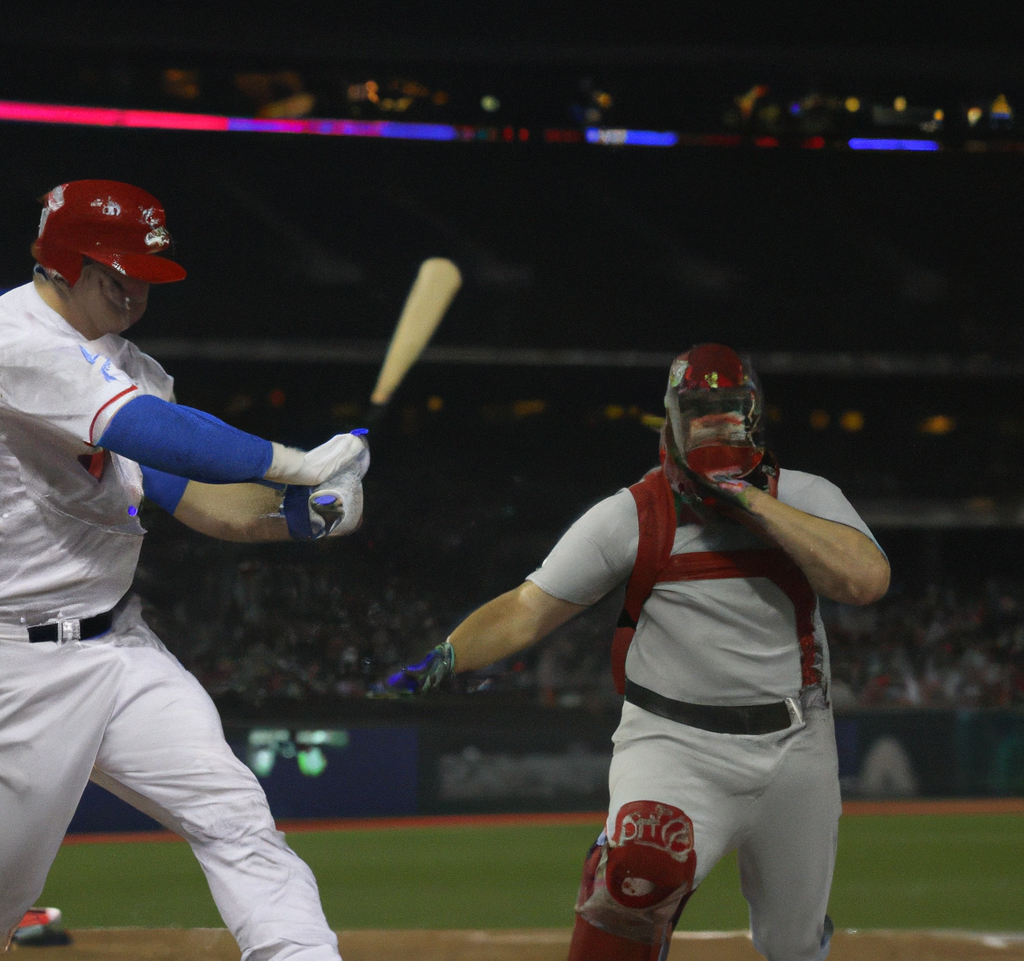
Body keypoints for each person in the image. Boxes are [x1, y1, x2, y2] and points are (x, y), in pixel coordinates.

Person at [387, 343, 890, 961]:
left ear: (754, 414)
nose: (711, 422)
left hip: (798, 744)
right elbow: (528, 608)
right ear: (672, 419)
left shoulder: (806, 497)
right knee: (636, 874)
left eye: (727, 409)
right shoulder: (631, 515)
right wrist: (446, 654)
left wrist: (749, 497)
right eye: (697, 409)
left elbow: (864, 582)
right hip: (676, 745)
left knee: (791, 942)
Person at [0, 180, 371, 958]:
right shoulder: (15, 341)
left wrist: (303, 516)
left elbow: (197, 498)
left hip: (120, 650)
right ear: (63, 263)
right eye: (117, 270)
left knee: (236, 816)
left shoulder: (132, 363)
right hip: (17, 664)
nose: (136, 287)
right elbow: (150, 429)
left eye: (145, 271)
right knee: (8, 887)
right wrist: (295, 462)